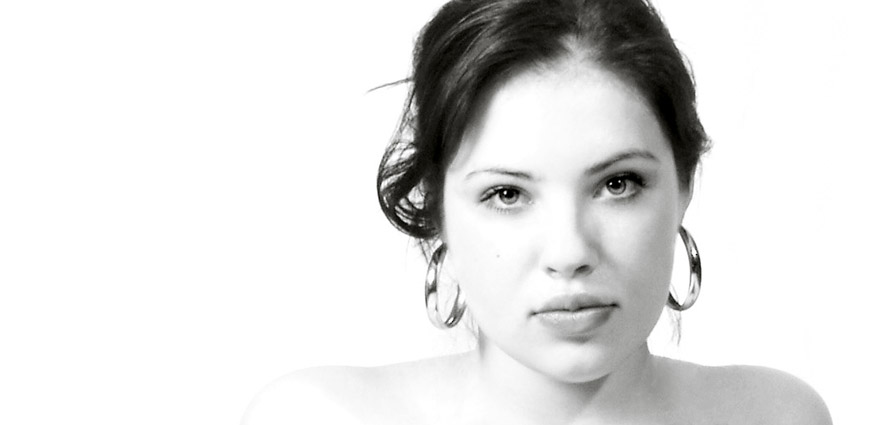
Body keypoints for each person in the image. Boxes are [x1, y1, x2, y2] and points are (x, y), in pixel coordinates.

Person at [243, 0, 833, 423]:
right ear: (437, 210)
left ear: (684, 184)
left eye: (618, 184)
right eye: (507, 194)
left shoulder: (778, 415)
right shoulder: (315, 416)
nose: (569, 251)